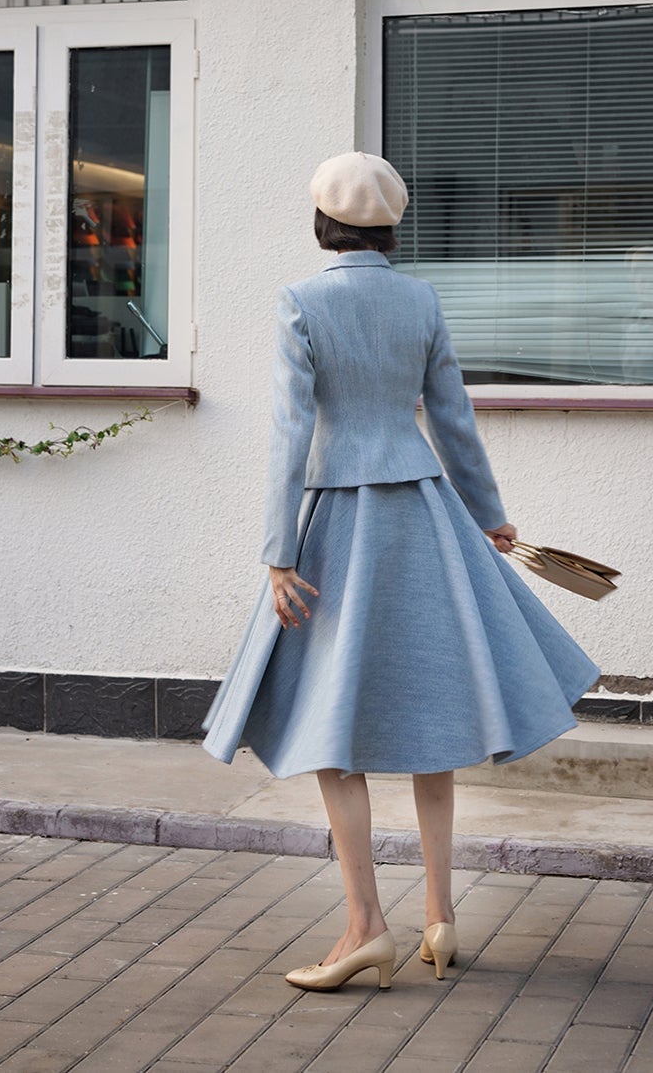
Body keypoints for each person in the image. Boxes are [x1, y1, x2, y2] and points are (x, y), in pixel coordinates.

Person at [202, 151, 601, 992]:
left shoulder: (302, 301)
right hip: (425, 513)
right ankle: (440, 917)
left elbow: (288, 434)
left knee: (329, 722)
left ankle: (363, 926)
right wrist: (488, 514)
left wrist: (278, 551)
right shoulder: (419, 298)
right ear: (390, 227)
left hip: (340, 524)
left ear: (322, 223)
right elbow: (451, 413)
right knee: (434, 709)